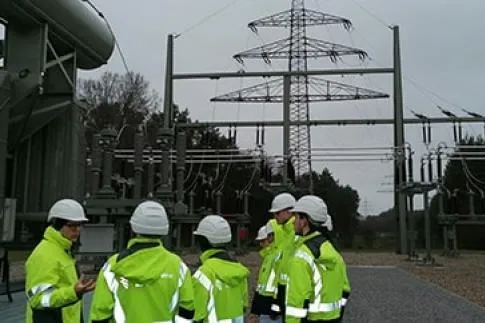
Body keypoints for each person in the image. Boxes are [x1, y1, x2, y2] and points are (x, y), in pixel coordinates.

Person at [89, 201, 194, 322]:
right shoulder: (177, 265)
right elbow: (187, 309)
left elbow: (100, 313)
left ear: (134, 227)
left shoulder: (114, 265)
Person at [25, 198, 94, 323]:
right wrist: (73, 292)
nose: (77, 230)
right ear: (57, 225)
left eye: (79, 225)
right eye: (71, 226)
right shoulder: (44, 255)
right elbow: (38, 300)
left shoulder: (63, 251)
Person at [285, 195, 350, 323]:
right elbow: (345, 289)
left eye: (296, 217)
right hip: (333, 318)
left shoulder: (302, 255)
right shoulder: (332, 250)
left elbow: (297, 300)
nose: (293, 221)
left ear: (304, 221)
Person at [192, 215, 250, 322]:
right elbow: (244, 306)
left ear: (203, 241)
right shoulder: (240, 272)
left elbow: (197, 314)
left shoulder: (204, 273)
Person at [267, 192, 296, 320]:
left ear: (289, 212)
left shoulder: (295, 234)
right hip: (287, 297)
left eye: (277, 213)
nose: (275, 216)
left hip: (294, 298)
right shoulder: (286, 233)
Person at [251, 221, 282, 323]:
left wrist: (276, 306)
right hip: (266, 304)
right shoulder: (268, 257)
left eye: (263, 240)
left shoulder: (276, 256)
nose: (261, 244)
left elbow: (278, 282)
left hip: (272, 306)